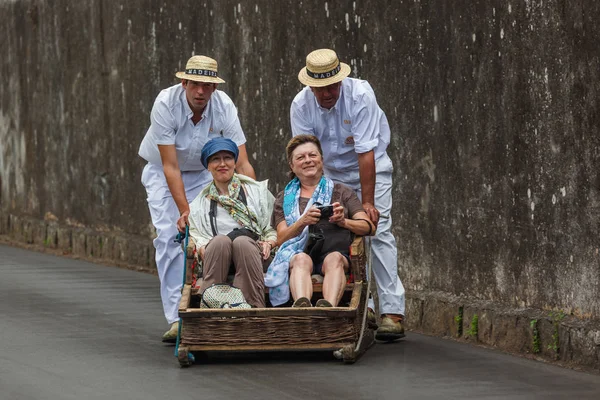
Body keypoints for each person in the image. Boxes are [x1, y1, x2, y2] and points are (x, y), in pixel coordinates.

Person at [289, 48, 406, 340]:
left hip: (371, 167)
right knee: (338, 235)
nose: (327, 93)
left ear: (341, 80)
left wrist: (366, 203)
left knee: (376, 231)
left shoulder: (361, 96)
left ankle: (392, 312)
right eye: (320, 88)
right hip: (329, 173)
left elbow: (365, 152)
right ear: (310, 86)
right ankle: (359, 307)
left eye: (332, 86)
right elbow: (307, 155)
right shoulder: (301, 105)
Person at [138, 55, 256, 342]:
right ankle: (177, 317)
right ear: (184, 83)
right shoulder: (166, 103)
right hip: (165, 176)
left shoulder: (224, 106)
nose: (200, 91)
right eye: (195, 85)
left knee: (223, 236)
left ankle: (217, 306)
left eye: (207, 85)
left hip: (205, 173)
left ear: (214, 87)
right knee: (171, 237)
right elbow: (170, 166)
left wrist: (253, 204)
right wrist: (185, 211)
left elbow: (241, 162)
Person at [266, 135, 376, 308]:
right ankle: (304, 308)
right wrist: (303, 221)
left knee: (334, 259)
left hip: (336, 255)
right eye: (300, 157)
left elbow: (368, 227)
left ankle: (328, 309)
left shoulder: (342, 192)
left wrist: (343, 222)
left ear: (322, 160)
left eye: (312, 155)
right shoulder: (283, 198)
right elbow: (281, 238)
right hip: (301, 255)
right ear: (292, 166)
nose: (308, 160)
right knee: (300, 259)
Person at [187, 138, 276, 308]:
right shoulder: (199, 205)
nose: (222, 164)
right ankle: (211, 306)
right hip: (218, 256)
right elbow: (198, 237)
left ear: (235, 162)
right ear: (208, 166)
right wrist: (202, 246)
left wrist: (270, 243)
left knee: (242, 243)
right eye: (215, 159)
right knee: (220, 241)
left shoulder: (257, 193)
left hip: (254, 254)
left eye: (227, 158)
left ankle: (252, 308)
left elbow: (273, 227)